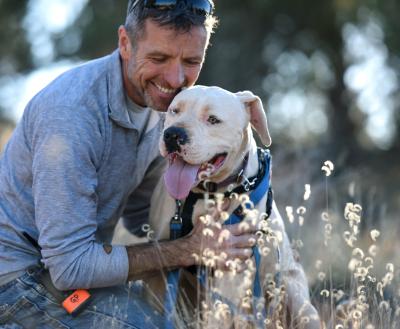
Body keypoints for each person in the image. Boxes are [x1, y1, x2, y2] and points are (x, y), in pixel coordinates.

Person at [0, 0, 260, 328]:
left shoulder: (170, 110)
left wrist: (223, 231)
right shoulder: (71, 115)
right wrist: (189, 249)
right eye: (159, 58)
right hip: (16, 279)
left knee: (207, 314)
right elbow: (70, 268)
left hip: (68, 278)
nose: (176, 78)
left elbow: (144, 218)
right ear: (125, 43)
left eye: (192, 60)